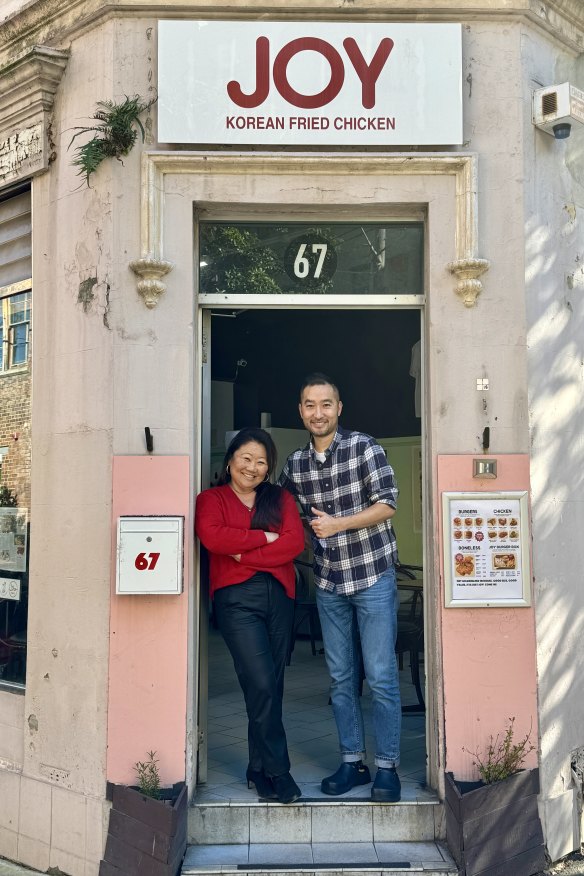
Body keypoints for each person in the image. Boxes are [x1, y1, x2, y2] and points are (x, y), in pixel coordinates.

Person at [278, 373, 402, 802]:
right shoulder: (295, 464)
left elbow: (388, 504)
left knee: (383, 676)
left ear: (339, 407)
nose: (318, 413)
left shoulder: (365, 448)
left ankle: (387, 768)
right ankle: (353, 763)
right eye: (310, 405)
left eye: (326, 404)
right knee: (341, 679)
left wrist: (337, 524)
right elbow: (277, 506)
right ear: (301, 410)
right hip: (329, 580)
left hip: (372, 575)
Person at [195, 427, 304, 804]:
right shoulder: (211, 499)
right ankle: (279, 771)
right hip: (236, 600)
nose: (253, 468)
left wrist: (245, 551)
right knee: (260, 683)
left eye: (261, 462)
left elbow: (294, 543)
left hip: (280, 597)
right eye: (246, 459)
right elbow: (213, 538)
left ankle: (257, 769)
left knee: (272, 685)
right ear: (230, 461)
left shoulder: (280, 499)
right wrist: (264, 538)